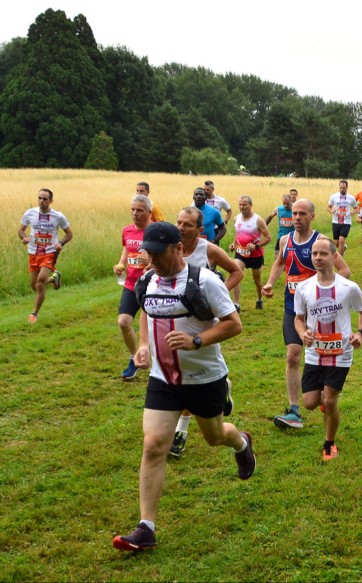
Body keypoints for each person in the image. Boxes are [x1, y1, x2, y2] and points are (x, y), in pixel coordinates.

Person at [112, 222, 253, 552]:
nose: (153, 261)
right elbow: (146, 311)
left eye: (159, 254)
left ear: (178, 248)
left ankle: (241, 443)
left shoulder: (204, 281)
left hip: (204, 377)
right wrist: (143, 345)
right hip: (163, 378)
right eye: (149, 254)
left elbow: (234, 325)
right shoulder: (148, 280)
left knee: (214, 437)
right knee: (153, 445)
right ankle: (145, 528)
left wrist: (196, 340)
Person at [262, 199, 350, 430]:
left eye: (302, 213)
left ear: (312, 216)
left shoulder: (321, 242)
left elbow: (344, 270)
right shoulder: (285, 240)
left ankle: (325, 397)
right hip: (293, 308)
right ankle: (294, 411)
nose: (297, 217)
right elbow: (280, 263)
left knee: (322, 357)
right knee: (292, 355)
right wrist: (270, 282)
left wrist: (327, 290)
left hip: (319, 311)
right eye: (294, 213)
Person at [169, 206, 244, 458]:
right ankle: (222, 386)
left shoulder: (209, 250)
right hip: (176, 319)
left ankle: (180, 432)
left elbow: (237, 271)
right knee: (184, 372)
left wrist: (217, 295)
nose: (181, 228)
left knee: (192, 372)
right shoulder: (172, 248)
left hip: (203, 321)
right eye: (178, 222)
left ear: (200, 229)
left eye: (187, 224)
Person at [294, 236, 362, 460]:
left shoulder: (348, 287)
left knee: (329, 400)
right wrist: (302, 333)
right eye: (314, 253)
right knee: (309, 402)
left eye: (323, 253)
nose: (318, 257)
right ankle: (326, 404)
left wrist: (360, 334)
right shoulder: (304, 288)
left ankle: (329, 443)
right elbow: (298, 319)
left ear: (335, 256)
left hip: (340, 353)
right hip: (315, 353)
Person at [19, 188, 73, 323]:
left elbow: (69, 234)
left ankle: (34, 314)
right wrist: (24, 238)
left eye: (45, 199)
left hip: (49, 252)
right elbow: (21, 230)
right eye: (39, 198)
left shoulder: (58, 216)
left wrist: (60, 243)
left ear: (51, 201)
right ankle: (54, 278)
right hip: (33, 252)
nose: (41, 201)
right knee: (35, 286)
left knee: (40, 281)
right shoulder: (30, 213)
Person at [114, 195, 152, 380]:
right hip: (131, 285)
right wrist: (121, 263)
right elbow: (127, 249)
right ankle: (134, 357)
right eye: (133, 210)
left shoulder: (155, 231)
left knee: (153, 326)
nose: (135, 213)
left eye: (140, 210)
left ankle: (159, 362)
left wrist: (150, 261)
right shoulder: (127, 230)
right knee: (123, 322)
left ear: (149, 213)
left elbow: (169, 257)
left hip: (152, 285)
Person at [327, 180, 358, 256]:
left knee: (341, 240)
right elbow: (328, 207)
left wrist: (352, 212)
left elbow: (356, 208)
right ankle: (344, 247)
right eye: (340, 188)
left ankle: (339, 259)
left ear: (347, 187)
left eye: (344, 188)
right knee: (336, 243)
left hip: (346, 222)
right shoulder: (334, 196)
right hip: (335, 221)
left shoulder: (351, 198)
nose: (342, 189)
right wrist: (331, 211)